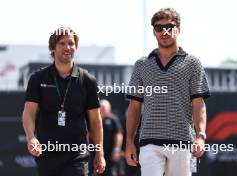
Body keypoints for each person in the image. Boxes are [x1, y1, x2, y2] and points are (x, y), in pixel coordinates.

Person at [125, 8, 210, 176]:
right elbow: (134, 107)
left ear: (178, 29)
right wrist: (129, 142)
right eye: (159, 27)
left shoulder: (193, 63)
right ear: (153, 32)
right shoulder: (141, 65)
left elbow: (198, 103)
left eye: (169, 27)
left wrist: (200, 135)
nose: (164, 31)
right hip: (149, 141)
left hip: (183, 141)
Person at [22, 27, 105, 176]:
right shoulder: (38, 78)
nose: (67, 47)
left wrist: (99, 153)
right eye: (62, 43)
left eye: (71, 43)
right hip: (47, 153)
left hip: (77, 154)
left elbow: (95, 121)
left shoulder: (87, 80)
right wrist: (31, 137)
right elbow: (29, 112)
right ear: (53, 48)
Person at [89, 99, 123, 176]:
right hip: (94, 152)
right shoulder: (93, 120)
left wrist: (116, 150)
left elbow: (119, 135)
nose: (103, 110)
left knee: (110, 172)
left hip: (109, 153)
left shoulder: (113, 119)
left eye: (104, 108)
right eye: (101, 108)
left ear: (109, 109)